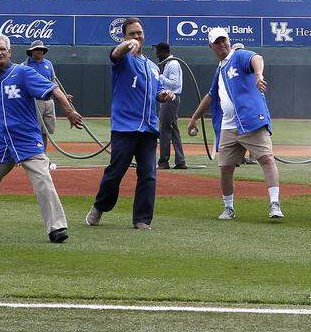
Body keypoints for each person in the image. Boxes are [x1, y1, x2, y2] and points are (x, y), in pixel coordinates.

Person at [0, 35, 83, 243]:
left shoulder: (23, 73)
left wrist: (69, 111)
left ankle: (57, 227)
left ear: (10, 52)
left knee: (43, 180)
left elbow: (54, 89)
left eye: (3, 49)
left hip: (26, 139)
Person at [85, 18, 175, 230]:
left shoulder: (152, 67)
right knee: (116, 172)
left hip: (148, 129)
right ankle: (100, 206)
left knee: (148, 175)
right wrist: (127, 46)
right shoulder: (123, 60)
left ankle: (142, 219)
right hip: (125, 127)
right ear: (124, 36)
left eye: (140, 33)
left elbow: (158, 93)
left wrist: (164, 94)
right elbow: (115, 54)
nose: (137, 37)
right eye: (132, 34)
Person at [187, 27, 282, 220]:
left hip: (250, 121)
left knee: (266, 159)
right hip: (228, 126)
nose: (222, 44)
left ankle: (274, 203)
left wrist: (259, 75)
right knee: (225, 168)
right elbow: (211, 95)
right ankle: (229, 207)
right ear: (211, 46)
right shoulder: (220, 68)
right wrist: (195, 117)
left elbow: (256, 58)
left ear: (229, 41)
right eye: (217, 42)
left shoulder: (238, 56)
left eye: (224, 40)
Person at [23, 40, 60, 169]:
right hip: (35, 101)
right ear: (31, 51)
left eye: (41, 49)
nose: (39, 51)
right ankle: (32, 156)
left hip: (49, 101)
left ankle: (42, 156)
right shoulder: (26, 65)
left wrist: (64, 96)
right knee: (35, 130)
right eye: (36, 49)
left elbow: (54, 82)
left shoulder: (48, 64)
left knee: (46, 132)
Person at [154, 42, 187, 170]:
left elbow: (174, 84)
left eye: (158, 52)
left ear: (164, 52)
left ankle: (163, 161)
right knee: (173, 129)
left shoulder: (172, 64)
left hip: (170, 98)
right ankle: (180, 161)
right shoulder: (167, 64)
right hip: (170, 98)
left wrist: (160, 76)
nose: (157, 55)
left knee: (164, 130)